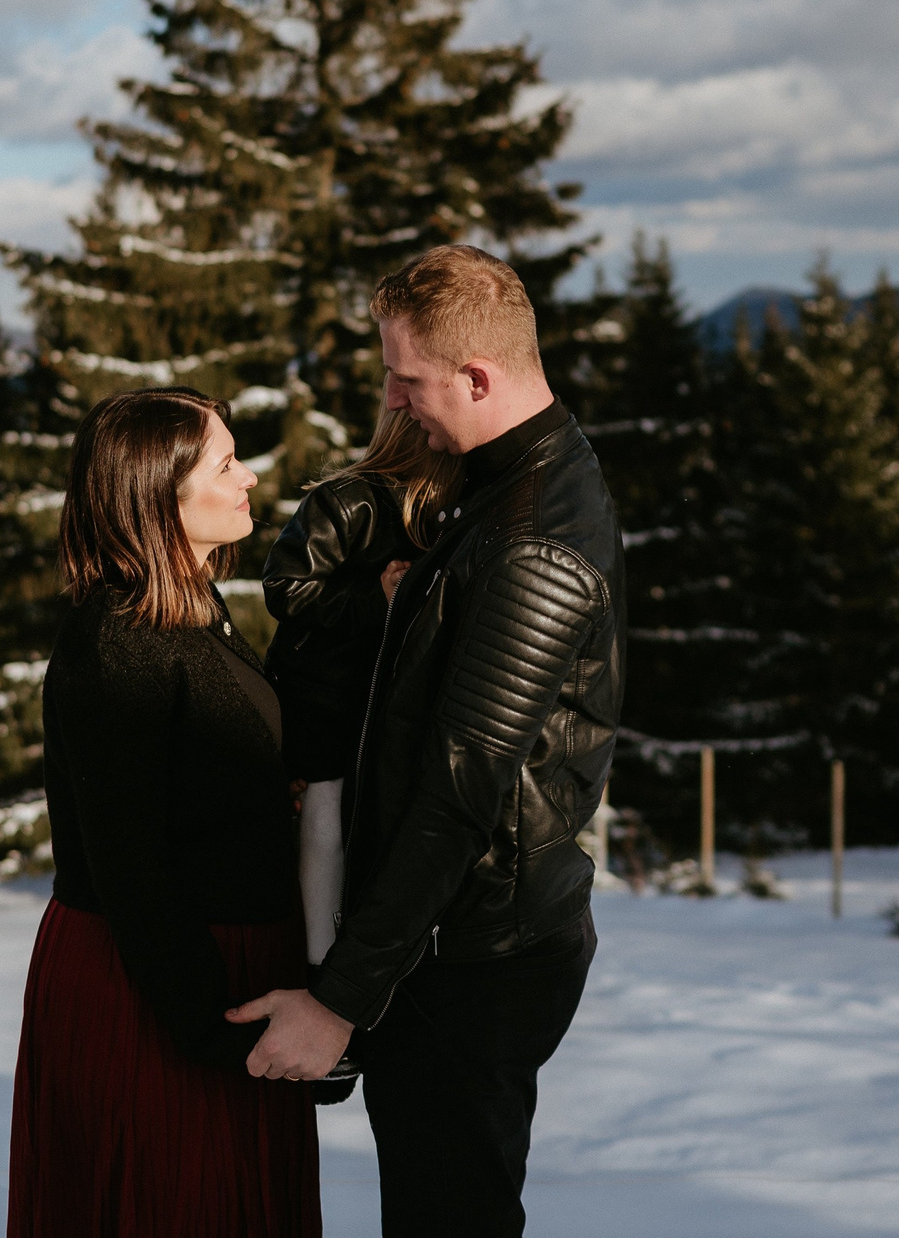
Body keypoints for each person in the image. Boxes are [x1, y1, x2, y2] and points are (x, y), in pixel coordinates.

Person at [230, 245, 625, 1237]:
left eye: (407, 377)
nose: (396, 401)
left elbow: (459, 791)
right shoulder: (494, 488)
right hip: (445, 947)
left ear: (477, 377)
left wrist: (339, 1001)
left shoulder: (532, 539)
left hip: (473, 962)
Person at [7, 387, 319, 1238]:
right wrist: (211, 1030)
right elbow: (130, 862)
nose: (250, 476)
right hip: (153, 989)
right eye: (224, 462)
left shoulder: (190, 610)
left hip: (208, 978)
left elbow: (198, 771)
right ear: (158, 496)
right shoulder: (120, 640)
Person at [263, 408, 463, 1040]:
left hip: (385, 709)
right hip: (323, 699)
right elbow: (284, 586)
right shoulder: (347, 500)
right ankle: (318, 972)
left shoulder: (452, 512)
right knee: (323, 824)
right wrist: (374, 598)